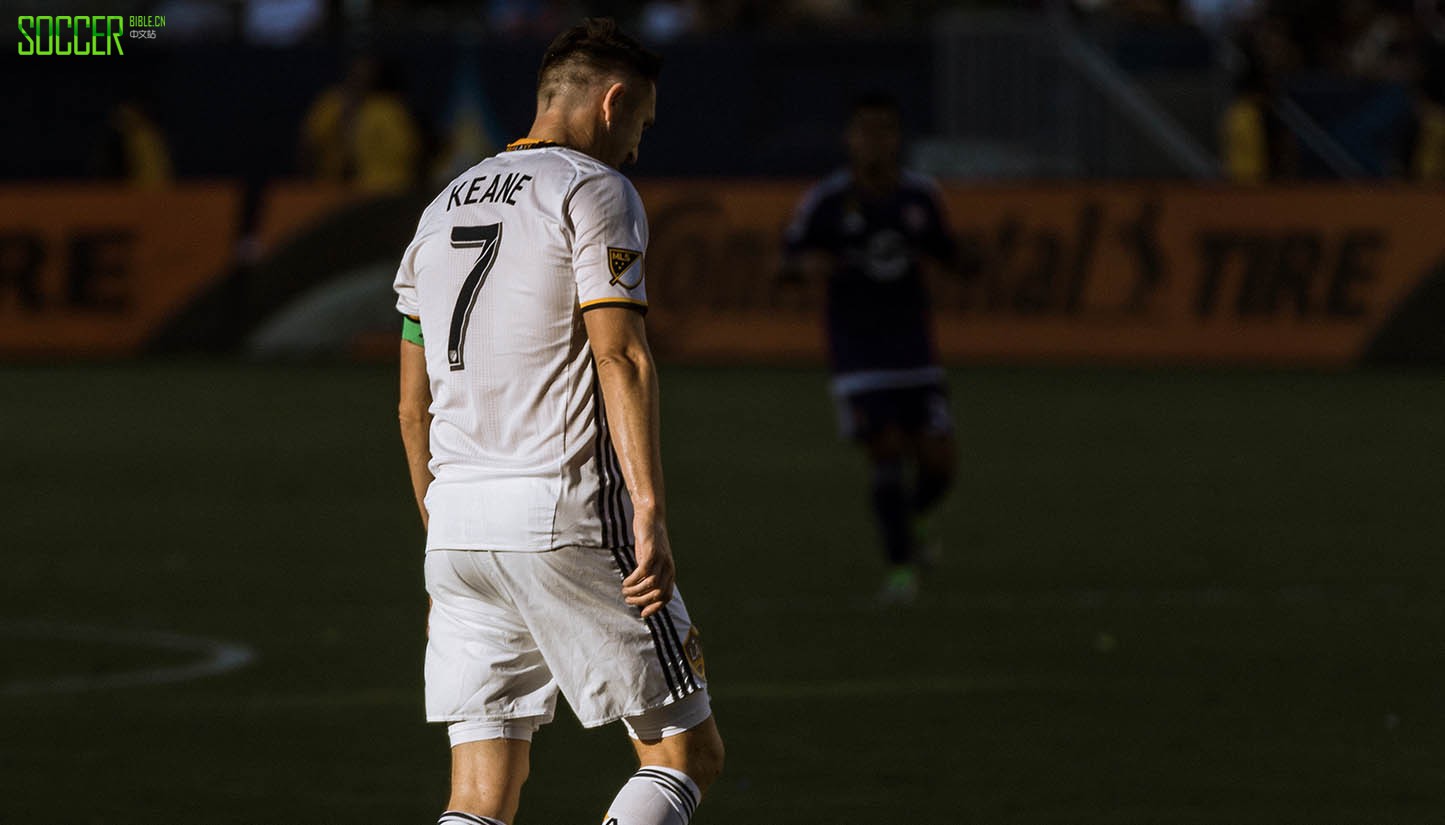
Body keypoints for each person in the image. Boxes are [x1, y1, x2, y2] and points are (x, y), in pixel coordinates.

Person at [394, 19, 723, 825]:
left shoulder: (436, 209)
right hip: (562, 509)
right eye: (640, 122)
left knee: (480, 793)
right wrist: (648, 509)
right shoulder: (593, 189)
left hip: (457, 524)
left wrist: (441, 530)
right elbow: (621, 356)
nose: (637, 147)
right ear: (612, 102)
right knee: (683, 754)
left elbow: (410, 404)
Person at [782, 91, 957, 605]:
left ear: (898, 138)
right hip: (858, 352)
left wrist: (966, 261)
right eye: (865, 131)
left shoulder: (921, 196)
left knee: (940, 464)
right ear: (850, 138)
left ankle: (913, 517)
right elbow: (786, 261)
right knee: (886, 450)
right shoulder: (827, 200)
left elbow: (947, 250)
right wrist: (805, 267)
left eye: (885, 130)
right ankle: (900, 570)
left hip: (916, 350)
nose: (875, 141)